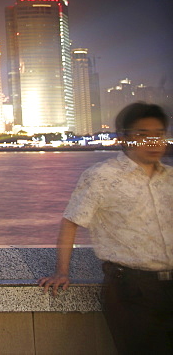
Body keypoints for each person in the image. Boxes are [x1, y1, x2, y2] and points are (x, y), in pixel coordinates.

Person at [38, 102, 173, 354]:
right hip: (132, 289)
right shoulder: (102, 176)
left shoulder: (170, 178)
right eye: (142, 135)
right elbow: (71, 221)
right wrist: (61, 272)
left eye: (158, 135)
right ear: (124, 138)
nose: (153, 142)